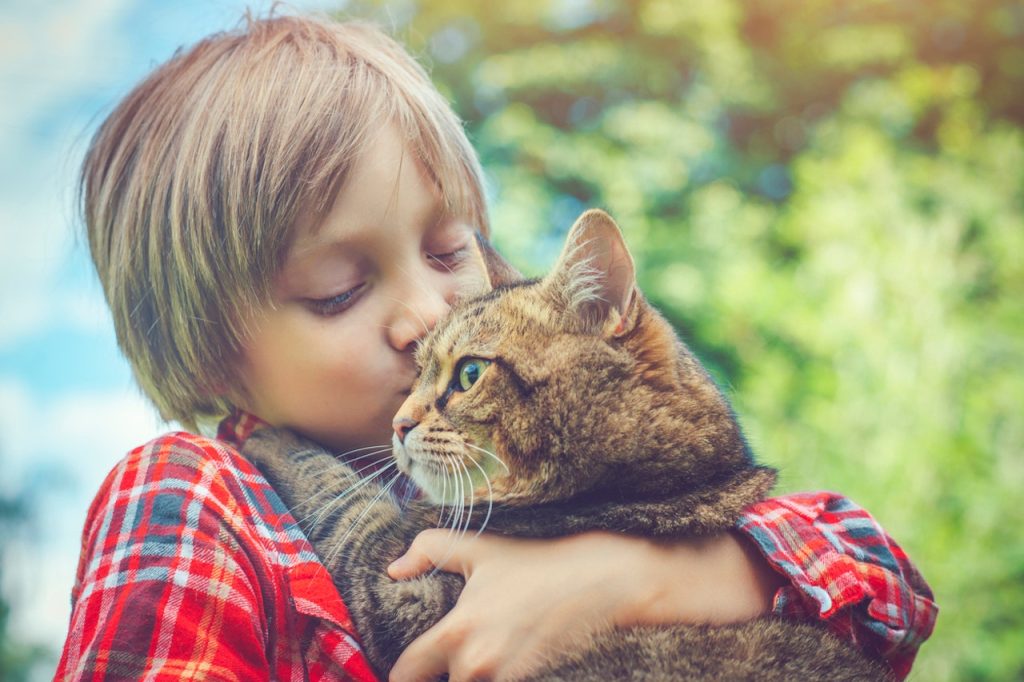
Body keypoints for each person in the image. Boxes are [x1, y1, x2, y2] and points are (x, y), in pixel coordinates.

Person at [56, 13, 936, 682]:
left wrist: (642, 580)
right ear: (213, 358)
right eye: (339, 291)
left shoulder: (510, 434)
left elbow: (891, 581)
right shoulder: (191, 494)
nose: (427, 314)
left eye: (449, 251)